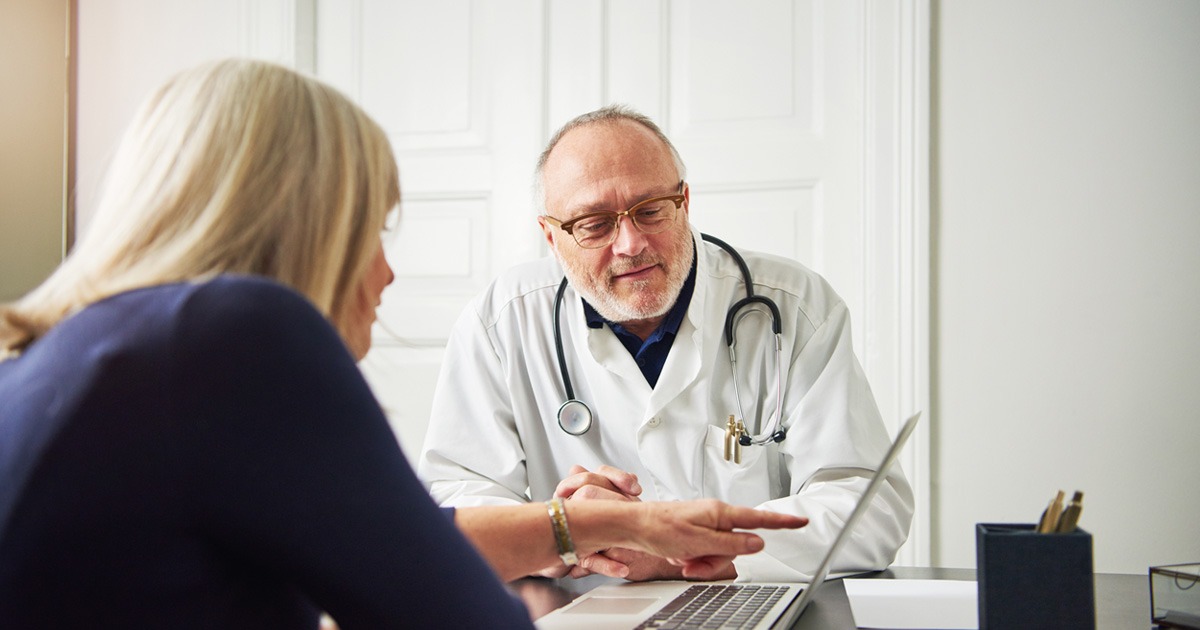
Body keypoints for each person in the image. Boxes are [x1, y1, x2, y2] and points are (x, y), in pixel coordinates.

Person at [0, 60, 807, 629]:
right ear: (304, 226)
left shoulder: (76, 357)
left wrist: (581, 529)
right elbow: (459, 612)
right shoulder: (241, 334)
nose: (386, 273)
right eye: (372, 228)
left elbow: (390, 537)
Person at [418, 105, 915, 583]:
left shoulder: (796, 305)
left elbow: (870, 507)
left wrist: (696, 546)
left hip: (741, 606)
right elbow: (454, 506)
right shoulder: (501, 322)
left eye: (650, 210)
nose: (631, 243)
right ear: (551, 237)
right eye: (594, 224)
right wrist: (562, 532)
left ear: (685, 202)